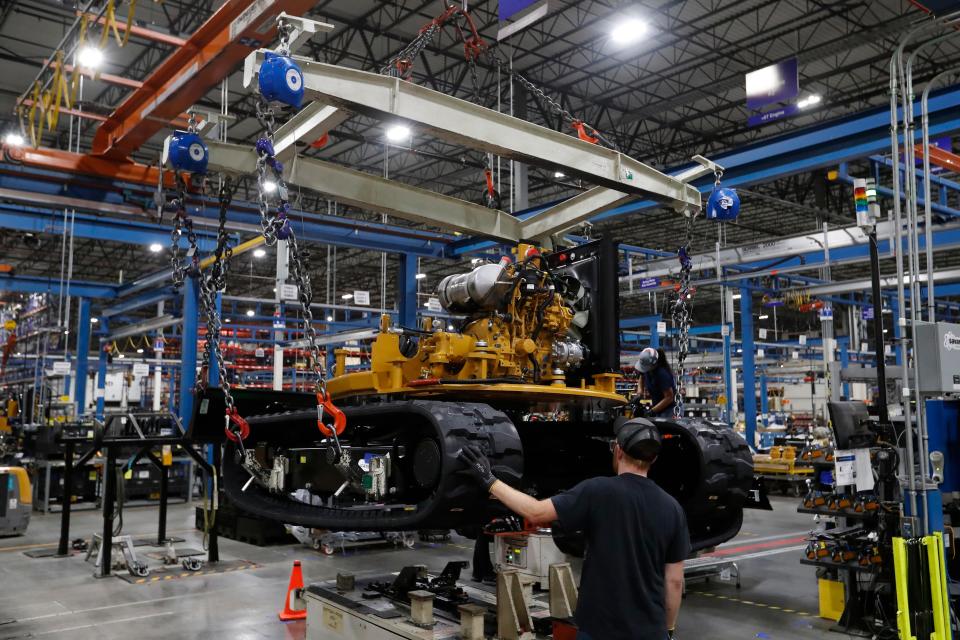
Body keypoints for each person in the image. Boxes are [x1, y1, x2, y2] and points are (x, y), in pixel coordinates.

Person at [458, 418, 690, 640]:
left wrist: (488, 479)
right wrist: (667, 629)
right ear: (654, 458)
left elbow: (535, 512)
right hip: (650, 631)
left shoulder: (598, 491)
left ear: (618, 451)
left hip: (599, 629)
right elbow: (674, 582)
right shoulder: (673, 508)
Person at [636, 347, 677, 417]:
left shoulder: (662, 374)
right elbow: (641, 377)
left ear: (654, 364)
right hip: (657, 406)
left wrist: (652, 411)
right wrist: (639, 393)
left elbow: (669, 397)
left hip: (669, 409)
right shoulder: (647, 369)